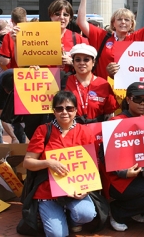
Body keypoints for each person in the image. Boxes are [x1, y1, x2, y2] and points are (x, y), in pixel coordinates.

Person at [23, 90, 97, 236]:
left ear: (76, 110)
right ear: (54, 111)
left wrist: (86, 190)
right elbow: (27, 162)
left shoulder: (85, 132)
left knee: (86, 214)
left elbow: (92, 166)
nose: (64, 112)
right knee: (57, 235)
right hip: (48, 190)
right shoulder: (43, 130)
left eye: (69, 108)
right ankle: (47, 213)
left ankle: (72, 219)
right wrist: (48, 163)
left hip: (75, 189)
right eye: (59, 108)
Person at [99, 82, 144, 231]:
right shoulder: (115, 122)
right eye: (137, 99)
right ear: (128, 99)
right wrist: (122, 172)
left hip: (139, 173)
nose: (142, 104)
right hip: (117, 178)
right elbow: (103, 155)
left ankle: (135, 209)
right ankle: (117, 212)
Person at [77, 0, 144, 79]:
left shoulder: (137, 37)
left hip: (129, 89)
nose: (123, 22)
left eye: (127, 20)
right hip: (103, 88)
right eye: (119, 19)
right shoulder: (102, 36)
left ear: (132, 24)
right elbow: (81, 22)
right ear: (113, 23)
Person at [65, 43, 119, 123]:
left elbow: (109, 114)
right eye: (78, 60)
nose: (82, 63)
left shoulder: (103, 84)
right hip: (72, 131)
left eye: (86, 60)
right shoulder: (64, 82)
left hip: (97, 131)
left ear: (93, 62)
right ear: (73, 63)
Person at [48, 0, 89, 73]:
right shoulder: (39, 37)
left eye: (66, 15)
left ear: (70, 18)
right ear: (51, 16)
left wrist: (72, 62)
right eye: (57, 14)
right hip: (46, 81)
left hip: (70, 82)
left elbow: (89, 65)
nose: (61, 17)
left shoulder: (79, 39)